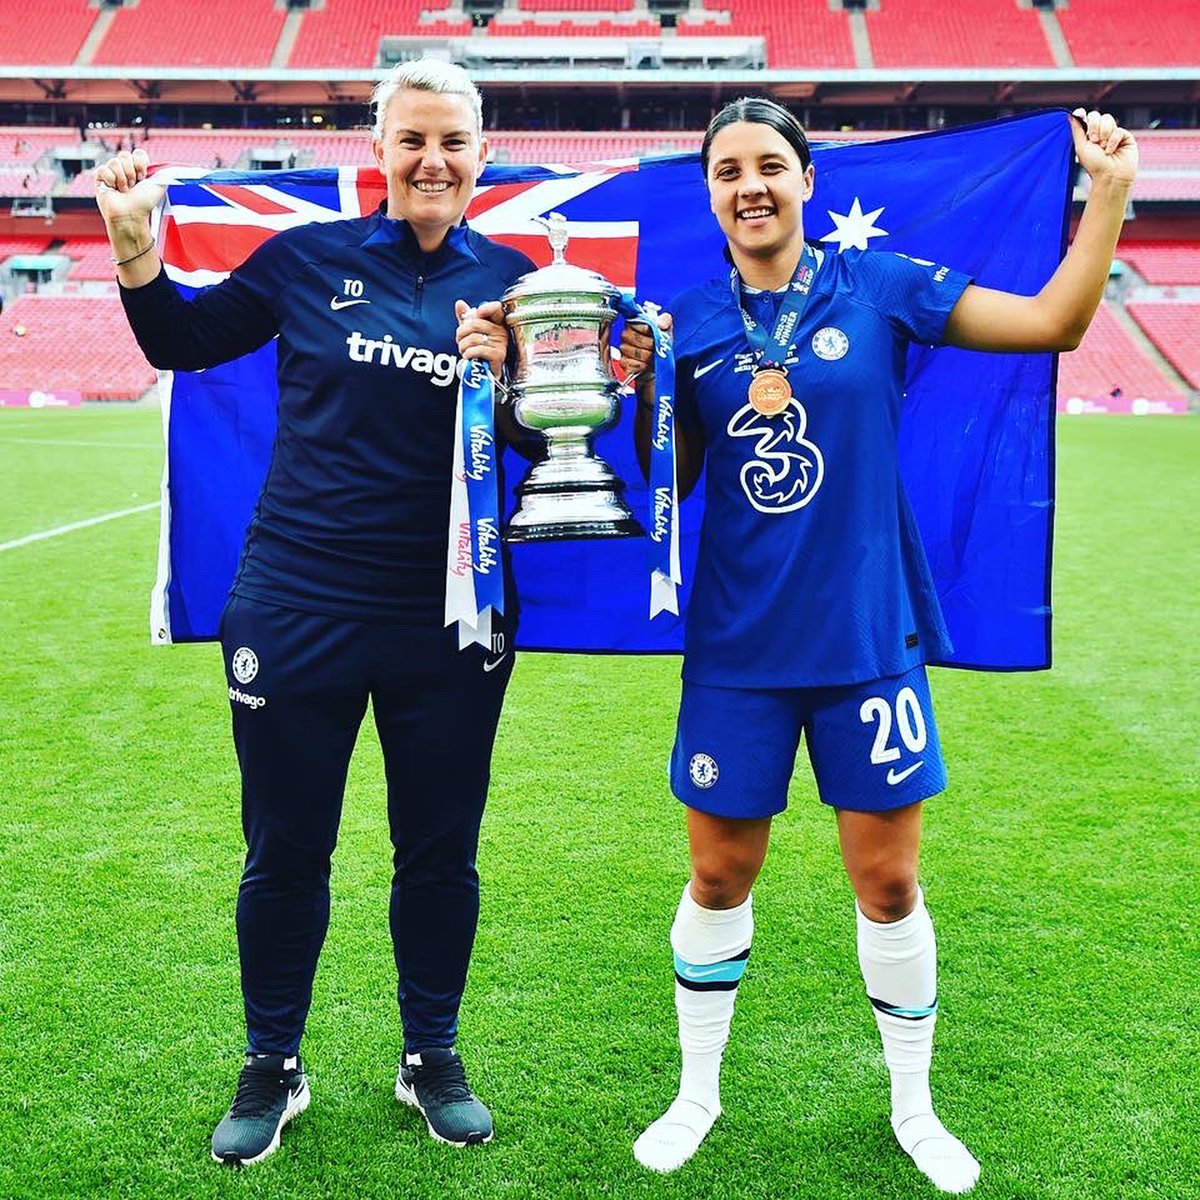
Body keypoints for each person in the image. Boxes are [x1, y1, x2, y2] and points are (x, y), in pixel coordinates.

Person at [616, 101, 1137, 1193]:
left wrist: (1110, 194)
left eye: (769, 165)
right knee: (718, 873)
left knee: (890, 885)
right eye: (727, 171)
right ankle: (698, 1093)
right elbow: (671, 484)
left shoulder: (880, 284)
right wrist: (643, 397)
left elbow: (1054, 323)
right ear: (708, 192)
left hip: (866, 636)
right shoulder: (689, 322)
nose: (750, 186)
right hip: (739, 646)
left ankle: (914, 1106)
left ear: (806, 180)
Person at [94, 58, 533, 1166]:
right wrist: (136, 248)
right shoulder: (306, 259)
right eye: (412, 139)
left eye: (453, 142)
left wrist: (515, 377)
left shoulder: (516, 279)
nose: (432, 160)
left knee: (440, 851)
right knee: (285, 848)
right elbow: (181, 341)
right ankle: (272, 1063)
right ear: (377, 150)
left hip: (451, 613)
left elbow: (539, 442)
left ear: (482, 155)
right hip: (298, 602)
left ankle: (430, 1055)